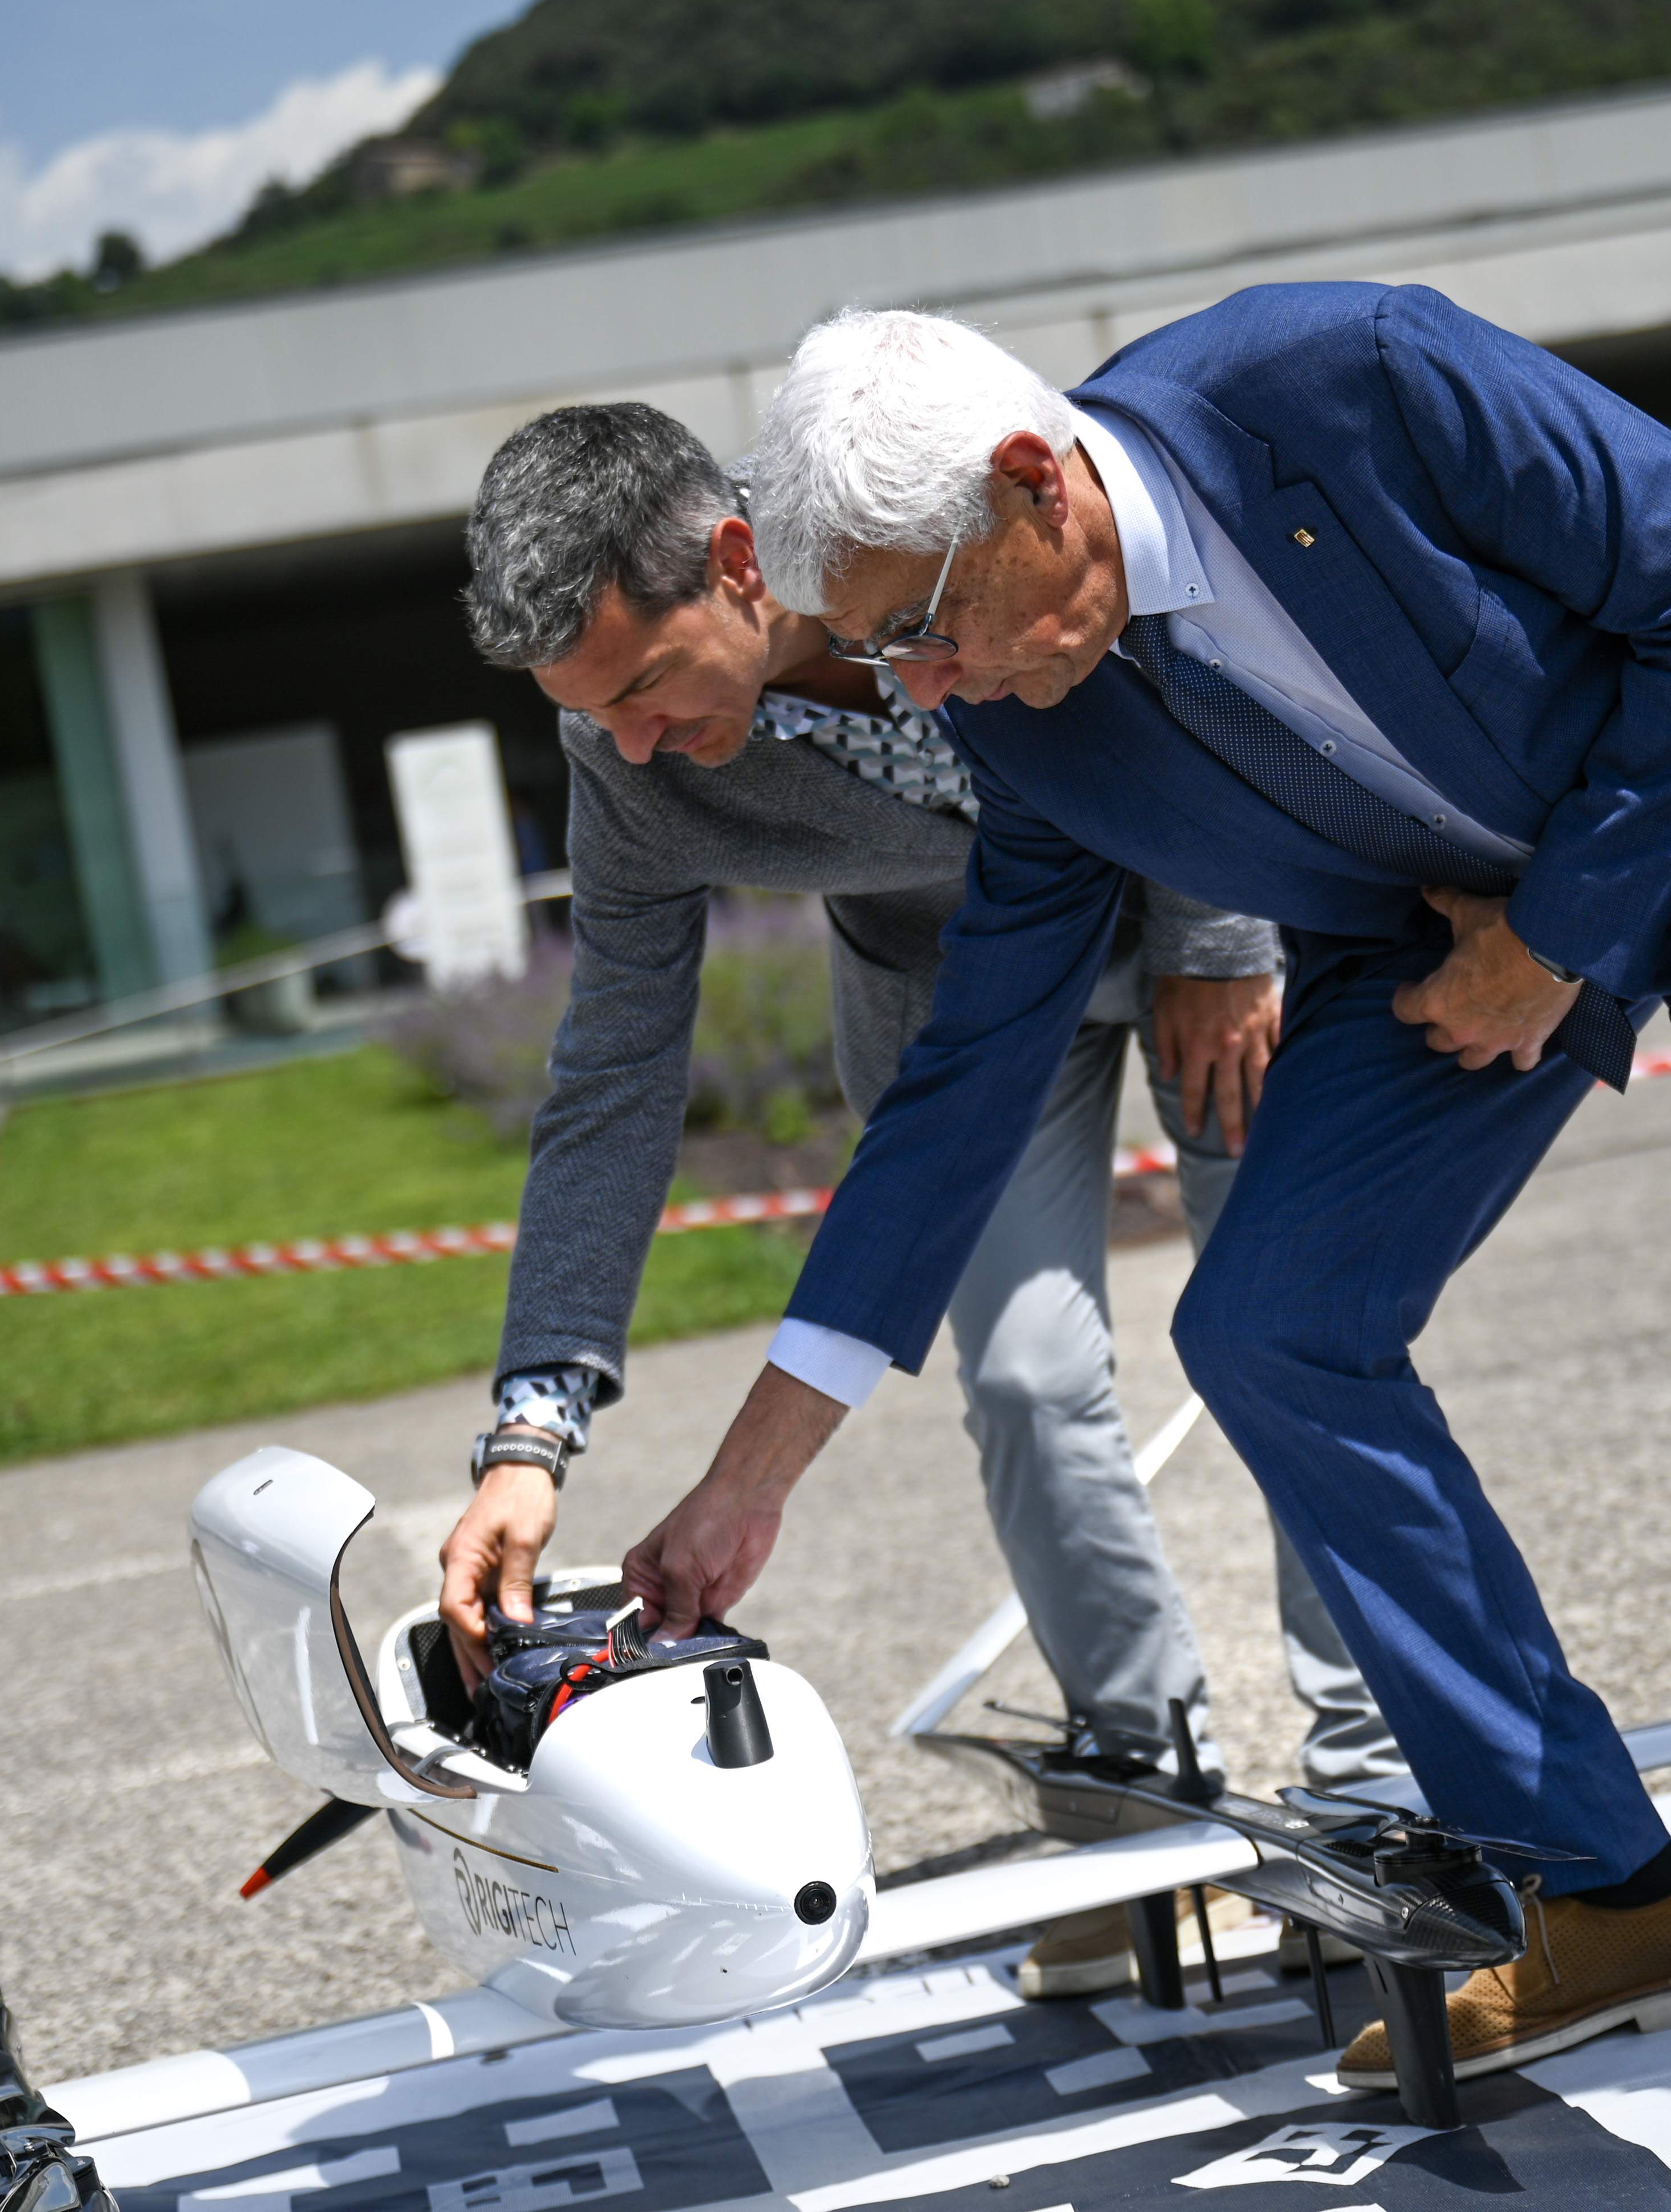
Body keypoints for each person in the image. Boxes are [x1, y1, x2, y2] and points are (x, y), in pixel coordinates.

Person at [615, 289, 1671, 2089]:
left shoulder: (1349, 378)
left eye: (921, 630)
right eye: (881, 653)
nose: (924, 694)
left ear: (1035, 486)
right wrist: (748, 1478)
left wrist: (1558, 937)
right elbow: (958, 1092)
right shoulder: (1025, 716)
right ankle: (1606, 1892)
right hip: (1465, 914)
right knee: (1270, 1322)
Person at [438, 403, 1401, 1998]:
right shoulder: (622, 755)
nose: (624, 747)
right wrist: (532, 1436)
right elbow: (613, 1075)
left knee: (1291, 1335)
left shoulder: (890, 516)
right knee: (1027, 1380)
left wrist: (1220, 942)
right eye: (583, 714)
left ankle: (1374, 1795)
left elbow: (1159, 643)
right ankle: (1144, 1810)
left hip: (1189, 927)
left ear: (742, 569)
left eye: (640, 690)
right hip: (958, 1028)